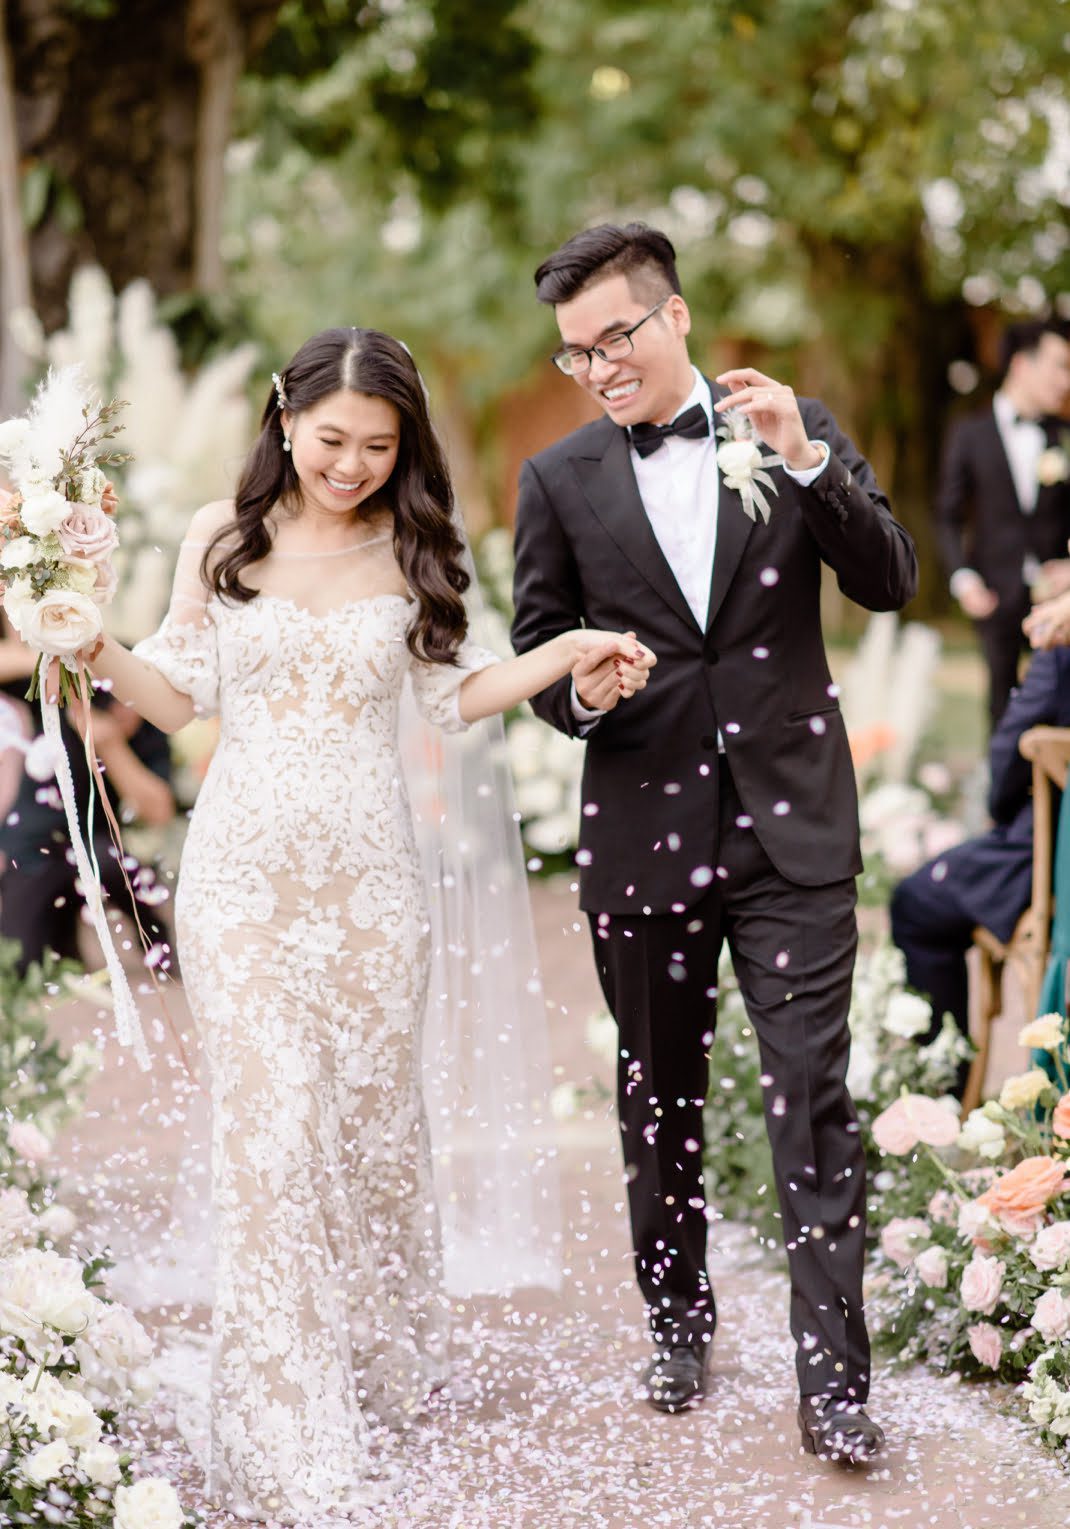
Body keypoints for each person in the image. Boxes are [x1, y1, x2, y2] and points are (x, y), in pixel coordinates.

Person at [60, 327, 654, 1522]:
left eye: (378, 446)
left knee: (373, 1138)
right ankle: (283, 1420)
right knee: (269, 1137)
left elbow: (452, 692)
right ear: (285, 421)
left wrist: (563, 652)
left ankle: (372, 1359)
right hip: (244, 884)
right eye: (332, 439)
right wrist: (95, 647)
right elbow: (181, 698)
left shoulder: (415, 544)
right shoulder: (221, 541)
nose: (351, 464)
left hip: (374, 889)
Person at [511, 223, 917, 1462]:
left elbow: (891, 578)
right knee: (658, 1097)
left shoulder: (791, 431)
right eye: (577, 354)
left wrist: (806, 464)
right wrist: (584, 689)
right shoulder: (557, 478)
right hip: (643, 828)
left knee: (811, 1098)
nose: (598, 368)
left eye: (614, 338)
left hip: (790, 825)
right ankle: (677, 1319)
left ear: (673, 315)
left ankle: (833, 1386)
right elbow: (540, 659)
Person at [891, 644, 1070, 1079]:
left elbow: (1011, 754)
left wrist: (1003, 809)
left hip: (1050, 862)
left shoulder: (1062, 649)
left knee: (916, 901)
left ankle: (945, 1087)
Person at [0, 612, 176, 975]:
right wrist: (51, 664)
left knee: (111, 862)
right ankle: (63, 951)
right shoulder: (54, 691)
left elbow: (158, 810)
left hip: (104, 846)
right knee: (24, 964)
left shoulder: (148, 724)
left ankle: (160, 951)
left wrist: (106, 743)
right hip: (35, 845)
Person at [936, 318, 1070, 729]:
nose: (1067, 381)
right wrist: (964, 578)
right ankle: (1003, 792)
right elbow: (947, 513)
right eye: (1060, 366)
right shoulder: (968, 433)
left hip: (1057, 601)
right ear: (1021, 365)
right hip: (996, 593)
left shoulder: (1064, 436)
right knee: (1000, 709)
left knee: (1058, 706)